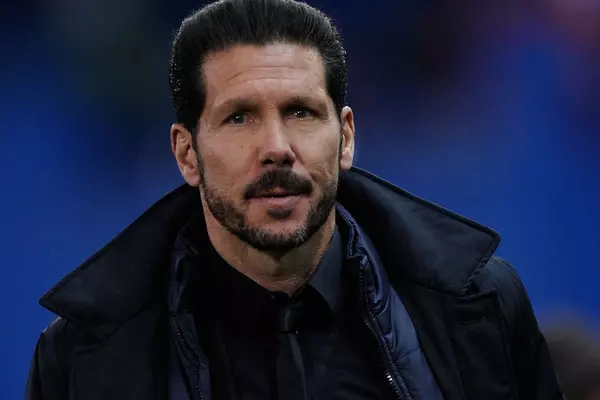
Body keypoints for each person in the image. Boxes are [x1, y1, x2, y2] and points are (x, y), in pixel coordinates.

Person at [25, 0, 564, 399]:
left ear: (346, 138)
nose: (276, 148)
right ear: (187, 153)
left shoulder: (482, 308)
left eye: (301, 112)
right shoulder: (80, 358)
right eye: (240, 118)